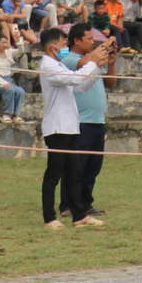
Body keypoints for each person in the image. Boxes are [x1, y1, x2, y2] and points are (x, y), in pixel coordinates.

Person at [37, 28, 104, 229]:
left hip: (69, 126)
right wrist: (92, 61)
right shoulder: (48, 66)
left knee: (74, 172)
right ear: (52, 47)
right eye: (64, 45)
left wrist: (98, 67)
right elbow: (75, 78)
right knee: (54, 174)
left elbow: (80, 86)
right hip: (57, 127)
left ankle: (79, 215)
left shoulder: (58, 65)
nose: (66, 49)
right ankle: (49, 218)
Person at [62, 28, 118, 221]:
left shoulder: (94, 61)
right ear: (76, 41)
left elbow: (110, 83)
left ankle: (85, 203)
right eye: (89, 39)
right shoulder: (68, 59)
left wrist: (111, 64)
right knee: (76, 166)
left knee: (92, 168)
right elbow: (83, 63)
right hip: (80, 121)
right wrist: (107, 42)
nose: (92, 43)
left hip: (97, 121)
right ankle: (67, 205)